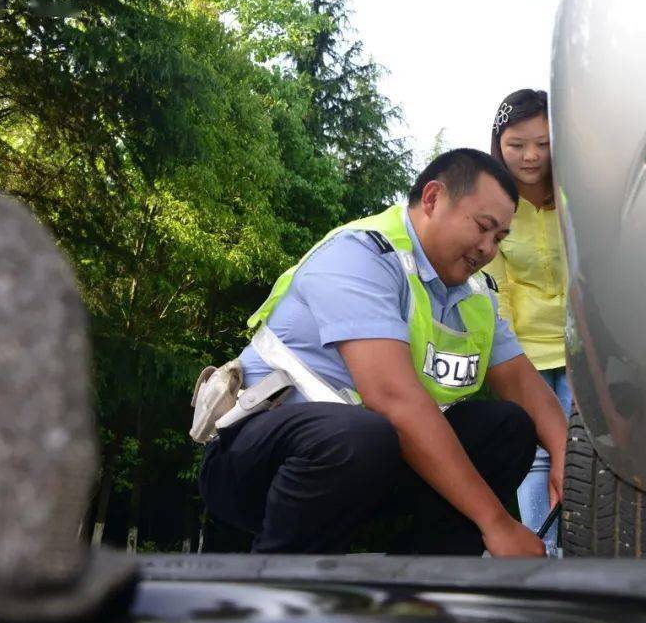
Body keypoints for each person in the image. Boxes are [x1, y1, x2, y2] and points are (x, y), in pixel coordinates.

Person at [198, 149, 569, 557]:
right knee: (362, 432)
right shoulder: (359, 256)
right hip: (256, 465)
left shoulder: (475, 294)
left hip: (364, 466)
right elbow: (391, 400)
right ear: (432, 199)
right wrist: (497, 524)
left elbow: (521, 383)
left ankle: (423, 597)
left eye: (499, 238)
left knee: (506, 426)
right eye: (483, 227)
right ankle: (283, 592)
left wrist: (568, 462)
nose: (487, 249)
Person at [483, 89, 569, 556]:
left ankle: (582, 548)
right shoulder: (494, 199)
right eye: (517, 144)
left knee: (579, 451)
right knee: (536, 454)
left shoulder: (581, 193)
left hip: (581, 347)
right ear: (498, 144)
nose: (531, 156)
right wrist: (507, 354)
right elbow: (497, 284)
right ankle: (542, 552)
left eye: (544, 143)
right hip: (523, 348)